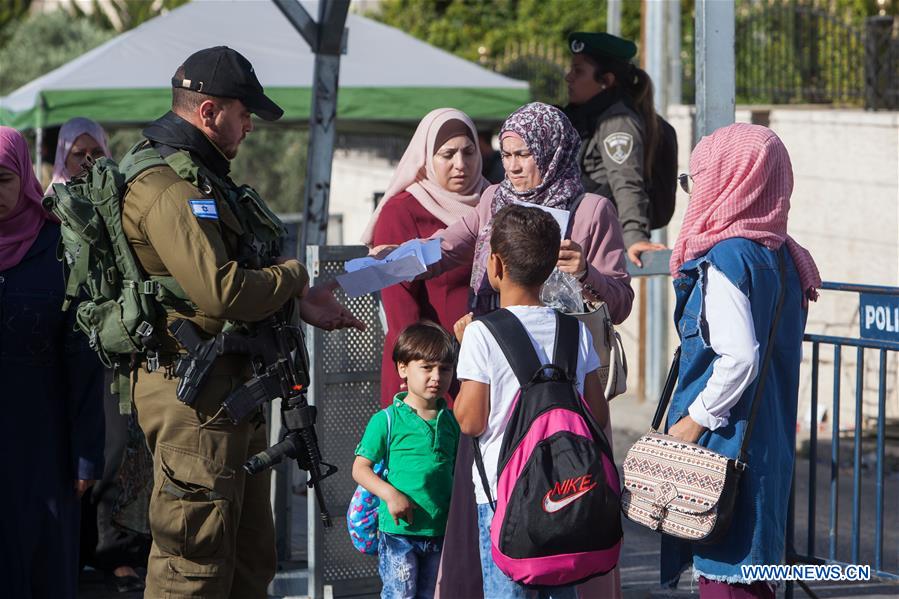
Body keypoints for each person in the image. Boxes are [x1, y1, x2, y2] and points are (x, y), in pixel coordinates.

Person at [119, 46, 363, 597]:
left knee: (251, 562)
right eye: (243, 113)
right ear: (208, 112)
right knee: (194, 566)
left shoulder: (203, 178)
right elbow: (222, 289)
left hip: (229, 392)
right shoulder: (166, 186)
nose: (250, 126)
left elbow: (236, 275)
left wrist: (295, 302)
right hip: (194, 399)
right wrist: (294, 277)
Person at [374, 102, 629, 599]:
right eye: (506, 155)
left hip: (563, 391)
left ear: (553, 152)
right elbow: (447, 246)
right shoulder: (494, 200)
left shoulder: (592, 211)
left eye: (523, 155)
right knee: (500, 502)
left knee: (568, 509)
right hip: (501, 382)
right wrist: (394, 261)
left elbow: (620, 302)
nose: (511, 166)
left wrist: (587, 274)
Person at [660, 123, 821, 598]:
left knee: (726, 578)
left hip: (723, 448)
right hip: (766, 449)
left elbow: (740, 359)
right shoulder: (786, 256)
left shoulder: (729, 258)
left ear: (729, 180)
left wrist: (693, 421)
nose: (694, 191)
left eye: (696, 179)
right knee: (752, 577)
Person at [452, 204, 610, 599]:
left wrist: (463, 350)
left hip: (503, 496)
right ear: (551, 266)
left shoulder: (481, 333)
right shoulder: (574, 330)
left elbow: (471, 421)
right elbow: (597, 413)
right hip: (567, 489)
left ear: (495, 265)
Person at [46, 116, 152, 593]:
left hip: (108, 348)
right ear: (62, 158)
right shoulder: (45, 211)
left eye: (96, 154)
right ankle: (67, 548)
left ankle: (113, 552)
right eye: (78, 155)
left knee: (113, 450)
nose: (88, 163)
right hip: (55, 351)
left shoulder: (116, 206)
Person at [0, 126, 105, 598]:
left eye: (2, 179)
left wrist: (86, 455)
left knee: (42, 565)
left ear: (23, 176)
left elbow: (82, 361)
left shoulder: (59, 248)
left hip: (44, 447)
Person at [362, 108, 488, 408]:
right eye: (447, 155)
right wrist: (427, 378)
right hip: (429, 375)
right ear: (426, 157)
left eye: (469, 152)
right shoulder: (402, 211)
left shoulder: (493, 203)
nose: (461, 164)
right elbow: (401, 311)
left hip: (486, 366)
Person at [352, 322, 460, 599]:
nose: (436, 376)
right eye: (427, 367)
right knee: (400, 594)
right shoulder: (386, 420)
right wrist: (391, 495)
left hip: (441, 531)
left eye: (445, 369)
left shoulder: (453, 422)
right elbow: (360, 469)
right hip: (399, 533)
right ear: (403, 368)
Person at [563, 32, 667, 267]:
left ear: (606, 80)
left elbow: (626, 181)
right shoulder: (589, 116)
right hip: (583, 242)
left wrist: (635, 237)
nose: (569, 77)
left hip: (598, 248)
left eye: (578, 71)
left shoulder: (617, 121)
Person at [46, 117, 110, 191]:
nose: (90, 163)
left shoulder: (119, 192)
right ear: (64, 159)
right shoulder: (54, 197)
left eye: (97, 152)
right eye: (79, 154)